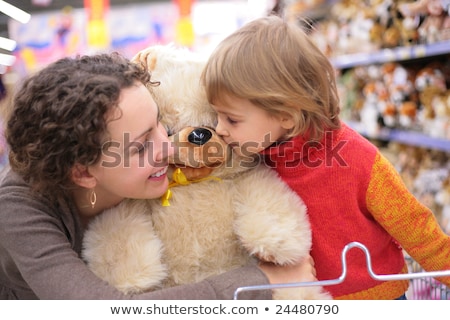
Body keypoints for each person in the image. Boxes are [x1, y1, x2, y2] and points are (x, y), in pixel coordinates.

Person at [0, 52, 316, 300]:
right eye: (141, 146)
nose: (168, 148)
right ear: (82, 172)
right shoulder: (18, 207)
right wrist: (262, 281)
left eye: (159, 124)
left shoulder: (165, 171)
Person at [201, 15, 450, 299]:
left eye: (231, 119)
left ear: (286, 114)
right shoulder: (253, 161)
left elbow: (414, 226)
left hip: (378, 301)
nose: (219, 129)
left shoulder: (357, 159)